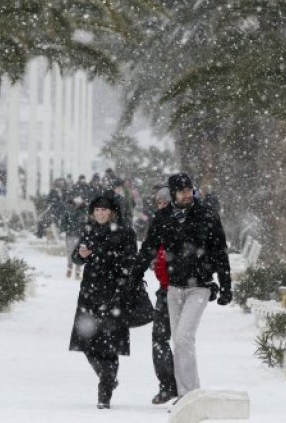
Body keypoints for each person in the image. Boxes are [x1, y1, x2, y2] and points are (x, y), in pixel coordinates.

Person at [131, 173, 232, 401]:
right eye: (181, 191)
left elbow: (220, 252)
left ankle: (189, 394)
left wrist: (226, 286)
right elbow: (148, 248)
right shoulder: (163, 218)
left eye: (189, 190)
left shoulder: (206, 215)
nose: (186, 194)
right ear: (174, 193)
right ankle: (190, 391)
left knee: (184, 337)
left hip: (200, 286)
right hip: (174, 287)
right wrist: (133, 278)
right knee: (179, 340)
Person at [68, 194, 139, 409]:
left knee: (109, 347)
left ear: (112, 212)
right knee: (87, 344)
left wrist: (102, 256)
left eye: (104, 210)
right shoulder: (89, 230)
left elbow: (130, 262)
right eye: (96, 210)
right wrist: (82, 255)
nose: (100, 214)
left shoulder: (125, 232)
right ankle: (107, 379)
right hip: (90, 293)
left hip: (114, 295)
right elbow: (76, 257)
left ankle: (104, 394)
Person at [149, 187, 177, 404]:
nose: (162, 206)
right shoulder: (157, 225)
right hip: (164, 291)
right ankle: (168, 385)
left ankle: (183, 388)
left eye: (165, 202)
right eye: (159, 203)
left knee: (182, 340)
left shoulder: (181, 223)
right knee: (159, 338)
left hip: (182, 289)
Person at [61, 196, 87, 279]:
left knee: (79, 253)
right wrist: (66, 228)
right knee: (69, 252)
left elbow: (86, 223)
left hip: (80, 235)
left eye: (79, 203)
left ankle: (78, 270)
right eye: (76, 203)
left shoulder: (84, 211)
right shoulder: (69, 210)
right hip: (70, 235)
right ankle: (69, 268)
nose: (77, 205)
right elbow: (63, 221)